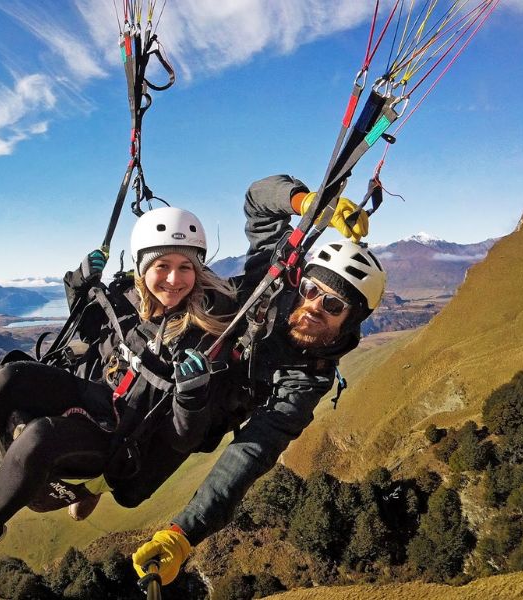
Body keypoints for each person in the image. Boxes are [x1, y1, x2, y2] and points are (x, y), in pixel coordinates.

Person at [0, 206, 237, 563]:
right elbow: (88, 326)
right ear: (143, 268)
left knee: (40, 438)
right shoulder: (129, 298)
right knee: (10, 377)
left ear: (198, 270)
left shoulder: (208, 336)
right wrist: (80, 281)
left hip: (122, 436)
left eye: (185, 267)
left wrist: (191, 396)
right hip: (91, 393)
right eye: (163, 266)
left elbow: (184, 438)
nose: (174, 279)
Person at [129, 175, 386, 584]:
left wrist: (185, 532)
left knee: (130, 483)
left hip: (196, 417)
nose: (313, 305)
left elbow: (252, 453)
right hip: (165, 356)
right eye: (310, 289)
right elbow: (258, 202)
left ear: (349, 320)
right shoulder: (266, 281)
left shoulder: (306, 379)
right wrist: (308, 203)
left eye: (333, 304)